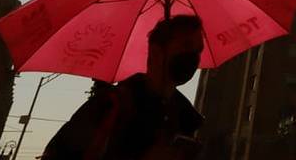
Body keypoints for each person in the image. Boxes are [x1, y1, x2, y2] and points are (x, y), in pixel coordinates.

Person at [42, 15, 205, 160]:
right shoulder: (112, 105)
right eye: (186, 45)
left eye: (198, 51)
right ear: (156, 52)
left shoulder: (186, 119)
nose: (194, 57)